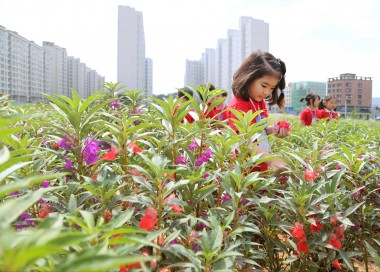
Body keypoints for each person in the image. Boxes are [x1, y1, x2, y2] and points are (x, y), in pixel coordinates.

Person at [226, 50, 288, 173]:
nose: (267, 92)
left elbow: (259, 130)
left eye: (272, 88)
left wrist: (271, 130)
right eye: (264, 85)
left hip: (260, 165)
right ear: (249, 77)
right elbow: (242, 141)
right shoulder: (239, 105)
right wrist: (271, 160)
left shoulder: (259, 102)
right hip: (244, 170)